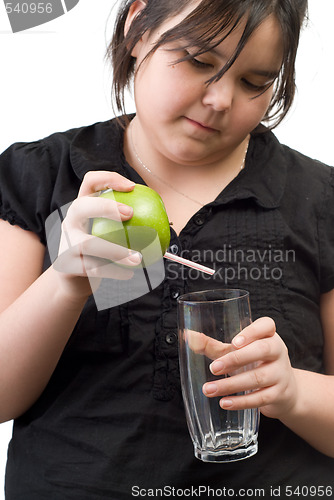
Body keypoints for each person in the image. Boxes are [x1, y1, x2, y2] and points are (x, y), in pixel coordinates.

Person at [1, 0, 334, 498]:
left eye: (254, 82)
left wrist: (291, 392)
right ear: (137, 27)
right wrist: (65, 282)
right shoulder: (40, 176)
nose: (220, 99)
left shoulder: (320, 200)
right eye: (199, 62)